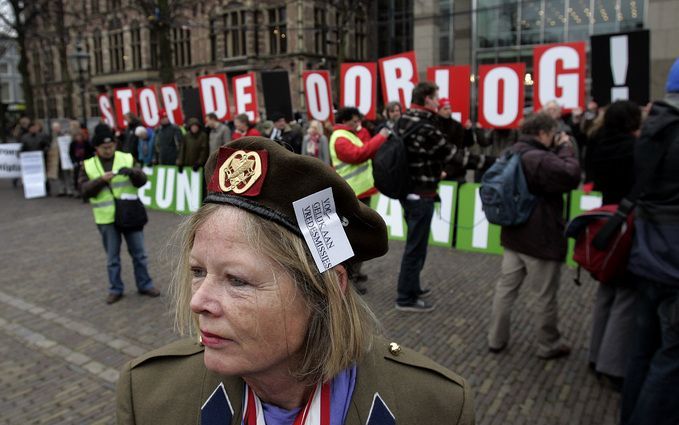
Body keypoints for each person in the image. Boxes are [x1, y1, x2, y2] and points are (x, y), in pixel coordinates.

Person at [115, 136, 474, 425]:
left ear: (329, 286)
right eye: (198, 272)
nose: (198, 302)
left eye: (237, 280)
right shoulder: (148, 395)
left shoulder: (434, 408)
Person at [486, 112, 580, 359]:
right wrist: (565, 148)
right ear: (544, 132)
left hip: (514, 236)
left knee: (505, 289)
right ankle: (548, 344)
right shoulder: (539, 157)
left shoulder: (512, 151)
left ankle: (496, 338)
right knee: (544, 296)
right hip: (540, 238)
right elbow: (571, 175)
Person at [620, 58, 679, 425]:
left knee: (641, 350)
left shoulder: (650, 129)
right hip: (673, 262)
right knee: (670, 359)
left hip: (647, 254)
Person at [584, 100, 642, 390]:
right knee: (626, 296)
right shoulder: (634, 149)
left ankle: (596, 354)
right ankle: (613, 364)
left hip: (606, 220)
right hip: (628, 224)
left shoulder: (598, 143)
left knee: (606, 289)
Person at [79, 134, 160, 304]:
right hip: (106, 218)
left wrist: (132, 173)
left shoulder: (127, 158)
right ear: (96, 148)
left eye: (111, 146)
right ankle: (115, 289)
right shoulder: (88, 165)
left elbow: (142, 180)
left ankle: (145, 284)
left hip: (130, 214)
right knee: (112, 259)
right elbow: (84, 190)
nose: (108, 150)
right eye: (104, 148)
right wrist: (100, 180)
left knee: (140, 254)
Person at [395, 82, 453, 312]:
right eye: (436, 97)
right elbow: (451, 154)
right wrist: (493, 163)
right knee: (415, 247)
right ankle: (404, 298)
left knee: (417, 245)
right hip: (421, 195)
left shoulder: (404, 119)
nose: (439, 102)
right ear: (427, 99)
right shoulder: (425, 126)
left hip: (408, 192)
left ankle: (412, 287)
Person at [329, 107, 390, 294]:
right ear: (345, 120)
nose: (358, 123)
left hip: (359, 193)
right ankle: (350, 278)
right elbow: (358, 155)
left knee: (359, 234)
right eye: (355, 120)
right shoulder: (340, 138)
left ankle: (355, 272)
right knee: (355, 236)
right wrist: (381, 137)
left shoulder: (348, 134)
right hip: (353, 195)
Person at [69, 129, 94, 195]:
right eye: (77, 136)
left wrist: (86, 161)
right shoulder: (73, 144)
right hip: (77, 163)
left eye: (79, 136)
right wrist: (74, 161)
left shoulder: (86, 143)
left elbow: (90, 153)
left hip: (85, 162)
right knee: (76, 176)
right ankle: (78, 191)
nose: (78, 137)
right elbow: (71, 153)